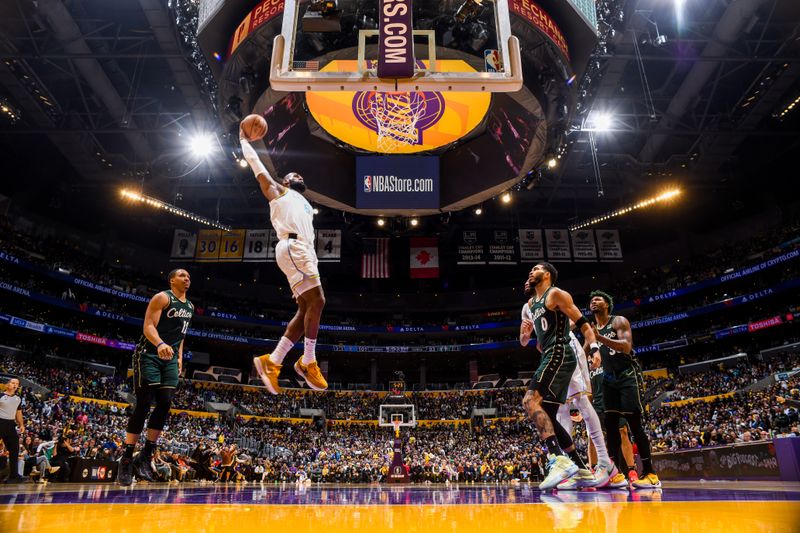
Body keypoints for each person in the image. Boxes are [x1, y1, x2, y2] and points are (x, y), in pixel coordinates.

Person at [240, 122, 327, 394]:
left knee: (306, 308)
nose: (298, 175)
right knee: (319, 300)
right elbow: (258, 167)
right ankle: (308, 361)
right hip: (292, 247)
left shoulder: (304, 204)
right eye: (293, 174)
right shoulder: (279, 192)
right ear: (286, 181)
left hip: (302, 252)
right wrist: (244, 140)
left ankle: (274, 361)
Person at [521, 283, 621, 489]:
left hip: (566, 348)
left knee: (581, 401)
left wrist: (592, 346)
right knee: (555, 412)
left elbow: (578, 320)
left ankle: (604, 462)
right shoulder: (528, 306)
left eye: (533, 272)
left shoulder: (553, 295)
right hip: (547, 355)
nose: (528, 279)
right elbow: (524, 341)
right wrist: (525, 333)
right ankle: (577, 467)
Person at [118, 269, 194, 486]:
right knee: (143, 404)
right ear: (172, 280)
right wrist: (159, 344)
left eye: (188, 276)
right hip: (149, 354)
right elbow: (148, 326)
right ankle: (126, 458)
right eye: (182, 275)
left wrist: (179, 358)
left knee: (166, 402)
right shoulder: (162, 297)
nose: (186, 278)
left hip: (170, 357)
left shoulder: (189, 307)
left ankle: (145, 456)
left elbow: (181, 335)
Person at [588, 290, 661, 488]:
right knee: (611, 427)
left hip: (627, 376)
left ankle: (650, 473)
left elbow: (626, 346)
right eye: (592, 300)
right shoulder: (592, 330)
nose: (594, 301)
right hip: (608, 379)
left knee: (633, 424)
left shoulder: (618, 321)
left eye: (599, 299)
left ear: (607, 304)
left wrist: (600, 338)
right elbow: (584, 350)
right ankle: (616, 473)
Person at [0, 378, 26, 483]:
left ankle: (14, 476)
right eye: (13, 383)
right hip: (0, 422)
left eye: (17, 383)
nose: (15, 385)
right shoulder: (1, 396)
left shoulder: (18, 399)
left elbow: (18, 413)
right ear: (8, 384)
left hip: (11, 424)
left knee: (15, 449)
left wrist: (21, 424)